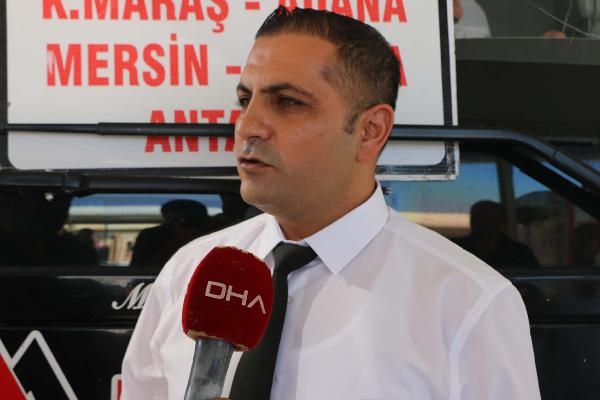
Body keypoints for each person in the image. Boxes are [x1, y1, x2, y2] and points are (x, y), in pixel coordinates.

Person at [122, 7, 540, 400]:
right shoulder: (189, 271)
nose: (247, 126)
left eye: (288, 102)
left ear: (370, 130)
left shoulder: (467, 302)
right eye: (245, 100)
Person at [454, 200, 540, 269]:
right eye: (474, 215)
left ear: (501, 221)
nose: (478, 220)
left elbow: (532, 282)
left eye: (485, 216)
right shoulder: (454, 248)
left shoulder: (520, 253)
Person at [129, 199, 210, 270]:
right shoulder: (151, 236)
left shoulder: (210, 235)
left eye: (185, 220)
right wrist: (178, 240)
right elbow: (140, 269)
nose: (179, 224)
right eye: (172, 221)